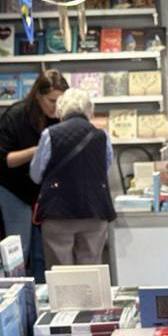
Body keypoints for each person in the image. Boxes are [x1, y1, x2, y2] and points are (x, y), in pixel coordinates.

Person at [0, 70, 68, 281]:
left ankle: (41, 298)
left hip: (43, 191)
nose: (56, 107)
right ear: (38, 96)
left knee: (42, 252)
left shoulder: (60, 117)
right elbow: (3, 159)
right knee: (19, 249)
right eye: (52, 101)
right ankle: (13, 296)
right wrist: (38, 149)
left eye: (61, 101)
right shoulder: (15, 116)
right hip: (13, 188)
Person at [30, 88, 115, 267]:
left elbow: (36, 175)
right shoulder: (102, 136)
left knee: (61, 274)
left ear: (60, 111)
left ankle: (65, 296)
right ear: (89, 110)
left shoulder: (50, 135)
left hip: (57, 212)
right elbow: (105, 168)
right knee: (90, 270)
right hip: (94, 211)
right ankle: (89, 296)